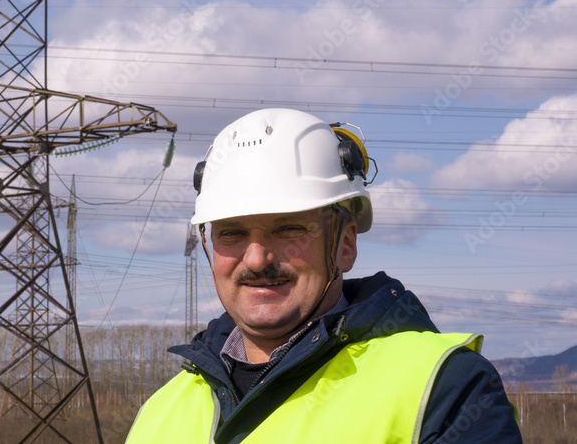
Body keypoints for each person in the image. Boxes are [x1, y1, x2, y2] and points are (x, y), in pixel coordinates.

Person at [126, 108, 521, 443]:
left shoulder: (444, 388)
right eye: (232, 232)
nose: (257, 258)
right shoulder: (158, 416)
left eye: (289, 229)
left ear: (345, 244)